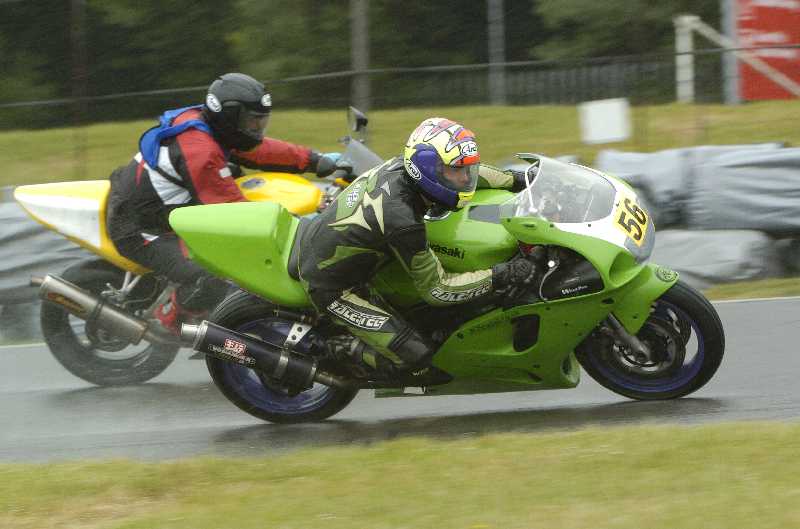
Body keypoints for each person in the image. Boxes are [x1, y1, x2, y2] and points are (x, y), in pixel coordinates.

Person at [295, 117, 537, 380]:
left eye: (467, 169)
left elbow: (479, 175)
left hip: (341, 247)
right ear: (428, 170)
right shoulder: (402, 220)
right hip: (334, 287)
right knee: (419, 360)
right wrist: (504, 274)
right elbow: (438, 290)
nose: (465, 178)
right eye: (456, 170)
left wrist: (520, 178)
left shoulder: (407, 168)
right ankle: (337, 350)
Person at [106, 73, 339, 333]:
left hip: (162, 210)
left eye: (260, 121)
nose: (257, 129)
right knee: (214, 275)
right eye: (251, 122)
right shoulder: (201, 152)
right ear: (229, 116)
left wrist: (314, 160)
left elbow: (259, 150)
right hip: (140, 227)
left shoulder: (214, 127)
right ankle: (169, 321)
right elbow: (236, 216)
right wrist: (301, 228)